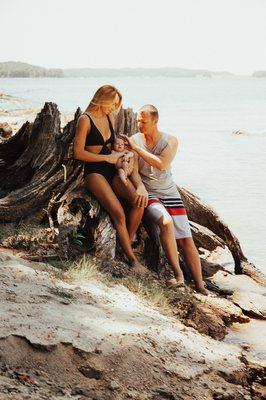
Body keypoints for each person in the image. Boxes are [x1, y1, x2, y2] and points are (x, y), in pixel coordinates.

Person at [121, 104, 210, 295]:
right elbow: (135, 171)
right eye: (138, 121)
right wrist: (141, 187)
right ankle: (178, 275)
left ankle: (200, 285)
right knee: (166, 222)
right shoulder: (135, 140)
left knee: (187, 239)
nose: (140, 125)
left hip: (170, 193)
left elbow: (162, 164)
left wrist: (135, 148)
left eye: (143, 121)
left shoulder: (171, 141)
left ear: (155, 120)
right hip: (150, 194)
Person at [73, 85, 148, 272]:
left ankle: (125, 244)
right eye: (112, 103)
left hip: (113, 170)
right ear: (102, 99)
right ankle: (132, 260)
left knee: (138, 202)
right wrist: (106, 157)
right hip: (95, 173)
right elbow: (78, 153)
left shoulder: (109, 116)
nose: (114, 108)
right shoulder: (85, 120)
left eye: (117, 105)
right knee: (119, 213)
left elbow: (114, 146)